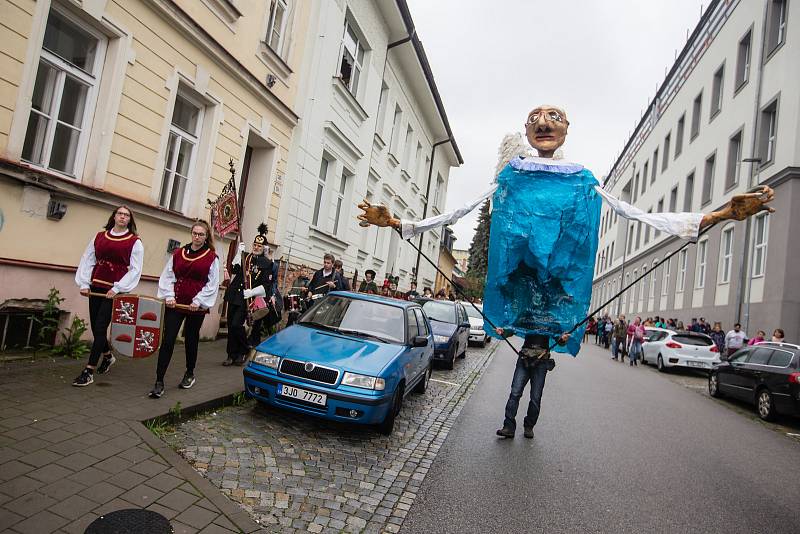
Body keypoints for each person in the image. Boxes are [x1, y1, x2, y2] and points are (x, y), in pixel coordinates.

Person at [357, 104, 774, 439]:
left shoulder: (582, 181)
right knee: (516, 389)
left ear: (567, 129)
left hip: (555, 285)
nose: (543, 123)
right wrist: (398, 224)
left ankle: (526, 426)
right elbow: (459, 211)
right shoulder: (512, 177)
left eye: (553, 117)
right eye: (535, 118)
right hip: (523, 278)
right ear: (526, 128)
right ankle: (509, 423)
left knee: (531, 394)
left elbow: (636, 214)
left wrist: (717, 216)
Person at [73, 205, 144, 387]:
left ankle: (88, 371)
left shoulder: (134, 241)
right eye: (119, 213)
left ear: (130, 220)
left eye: (126, 215)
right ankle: (108, 356)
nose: (122, 217)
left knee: (100, 327)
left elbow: (136, 270)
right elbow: (88, 259)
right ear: (114, 216)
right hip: (96, 286)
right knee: (96, 327)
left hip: (113, 291)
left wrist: (118, 288)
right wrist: (84, 282)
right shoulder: (99, 237)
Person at [149, 221, 219, 399]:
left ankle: (189, 372)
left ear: (206, 237)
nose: (197, 237)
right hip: (176, 303)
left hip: (196, 307)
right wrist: (169, 296)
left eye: (201, 234)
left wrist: (199, 301)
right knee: (168, 339)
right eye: (194, 233)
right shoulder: (179, 253)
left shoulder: (211, 257)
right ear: (191, 234)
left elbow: (212, 284)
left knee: (191, 338)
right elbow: (168, 275)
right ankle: (159, 380)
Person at [223, 225, 276, 366]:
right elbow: (234, 269)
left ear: (263, 248)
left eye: (259, 245)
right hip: (234, 294)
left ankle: (244, 349)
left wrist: (252, 292)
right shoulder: (245, 256)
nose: (256, 247)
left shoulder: (267, 263)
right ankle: (231, 354)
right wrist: (237, 253)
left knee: (237, 325)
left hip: (248, 299)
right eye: (255, 244)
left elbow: (267, 286)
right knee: (230, 325)